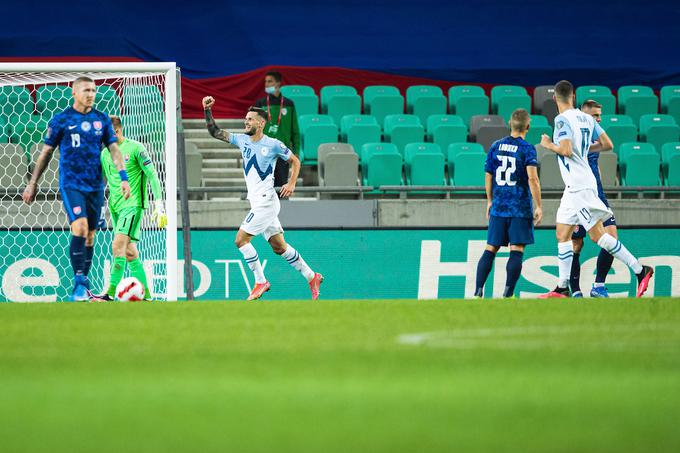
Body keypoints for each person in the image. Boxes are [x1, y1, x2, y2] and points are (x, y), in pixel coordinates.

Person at [539, 80, 653, 298]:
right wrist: (583, 150)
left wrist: (548, 145)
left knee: (597, 236)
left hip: (580, 185)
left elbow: (564, 149)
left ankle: (640, 270)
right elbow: (607, 144)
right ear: (572, 96)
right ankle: (562, 287)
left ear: (555, 98)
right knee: (562, 234)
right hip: (574, 186)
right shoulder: (586, 118)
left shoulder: (561, 120)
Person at [202, 96, 323, 300]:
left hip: (266, 202)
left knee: (240, 240)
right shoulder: (241, 140)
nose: (246, 122)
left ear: (261, 123)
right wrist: (207, 110)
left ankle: (260, 281)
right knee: (279, 247)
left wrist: (291, 183)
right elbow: (215, 132)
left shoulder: (273, 144)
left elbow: (295, 161)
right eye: (245, 119)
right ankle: (312, 276)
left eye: (250, 119)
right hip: (258, 202)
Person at [22, 76, 130, 301]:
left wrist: (123, 177)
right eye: (86, 90)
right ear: (74, 93)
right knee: (80, 227)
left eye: (93, 90)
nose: (91, 94)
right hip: (71, 184)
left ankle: (84, 285)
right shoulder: (61, 120)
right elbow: (46, 153)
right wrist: (33, 183)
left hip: (95, 186)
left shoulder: (102, 120)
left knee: (90, 235)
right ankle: (79, 283)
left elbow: (114, 150)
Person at [89, 115, 167, 302]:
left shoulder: (136, 148)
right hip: (115, 207)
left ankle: (109, 293)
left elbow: (152, 175)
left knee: (117, 246)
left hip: (133, 206)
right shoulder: (105, 153)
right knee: (130, 253)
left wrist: (159, 203)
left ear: (116, 131)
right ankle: (147, 297)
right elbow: (103, 182)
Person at [474, 109, 542, 298]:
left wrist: (490, 201)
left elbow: (488, 175)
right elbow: (533, 179)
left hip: (499, 206)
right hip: (519, 208)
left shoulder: (496, 146)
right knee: (517, 249)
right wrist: (538, 205)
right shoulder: (527, 148)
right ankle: (508, 293)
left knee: (490, 248)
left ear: (510, 124)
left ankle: (478, 291)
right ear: (528, 126)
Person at [569, 100, 618, 298]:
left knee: (612, 238)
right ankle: (575, 290)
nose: (599, 119)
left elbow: (595, 164)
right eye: (595, 115)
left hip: (598, 195)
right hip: (580, 197)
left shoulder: (591, 139)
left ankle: (598, 286)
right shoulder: (573, 136)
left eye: (600, 115)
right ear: (584, 114)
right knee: (576, 244)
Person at [253, 71, 300, 193]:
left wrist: (296, 152)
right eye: (265, 81)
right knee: (264, 189)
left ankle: (283, 211)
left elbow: (295, 131)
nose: (266, 84)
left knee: (282, 189)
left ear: (278, 84)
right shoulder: (260, 104)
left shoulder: (289, 104)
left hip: (282, 153)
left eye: (270, 81)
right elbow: (253, 129)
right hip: (264, 152)